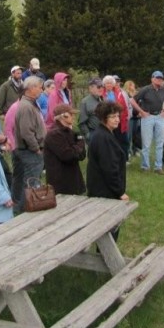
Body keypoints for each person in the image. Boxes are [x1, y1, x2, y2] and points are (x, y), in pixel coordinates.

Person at [87, 101, 129, 240]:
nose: (117, 119)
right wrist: (120, 192)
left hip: (105, 190)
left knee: (108, 231)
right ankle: (106, 259)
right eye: (112, 117)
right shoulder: (102, 137)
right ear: (104, 118)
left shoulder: (106, 134)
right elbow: (109, 169)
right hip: (105, 192)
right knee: (108, 230)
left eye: (118, 116)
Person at [12, 76, 46, 213]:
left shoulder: (28, 103)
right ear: (31, 88)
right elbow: (26, 132)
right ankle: (26, 209)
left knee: (26, 180)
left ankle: (20, 208)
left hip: (27, 149)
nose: (41, 90)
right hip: (29, 151)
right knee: (31, 181)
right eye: (39, 87)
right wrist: (36, 148)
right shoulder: (26, 106)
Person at [130, 71, 164, 174]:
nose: (159, 80)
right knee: (146, 144)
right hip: (147, 117)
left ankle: (158, 167)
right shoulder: (145, 89)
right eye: (157, 78)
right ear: (152, 79)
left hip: (159, 117)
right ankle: (145, 166)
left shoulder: (163, 90)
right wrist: (141, 111)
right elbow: (132, 100)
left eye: (161, 78)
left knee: (160, 143)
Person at [43, 104, 86, 195]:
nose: (73, 117)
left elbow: (82, 155)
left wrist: (78, 144)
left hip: (73, 179)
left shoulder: (71, 131)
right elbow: (68, 155)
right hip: (62, 183)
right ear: (63, 116)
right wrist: (80, 143)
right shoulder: (54, 134)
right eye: (71, 114)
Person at [103, 75, 130, 159]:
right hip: (107, 121)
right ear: (104, 84)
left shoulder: (118, 93)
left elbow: (124, 107)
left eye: (111, 83)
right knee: (109, 140)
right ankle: (110, 157)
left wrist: (124, 118)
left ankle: (124, 158)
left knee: (122, 140)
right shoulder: (102, 94)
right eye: (107, 83)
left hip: (119, 121)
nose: (109, 85)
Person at [77, 77, 104, 146]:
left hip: (103, 133)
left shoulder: (102, 100)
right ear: (91, 88)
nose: (101, 89)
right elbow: (81, 122)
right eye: (98, 87)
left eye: (102, 86)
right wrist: (88, 135)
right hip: (93, 133)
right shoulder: (85, 102)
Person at [123, 80, 142, 156]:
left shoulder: (136, 94)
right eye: (132, 85)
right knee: (129, 135)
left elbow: (140, 104)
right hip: (130, 118)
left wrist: (140, 112)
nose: (133, 86)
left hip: (137, 117)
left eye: (133, 85)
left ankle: (136, 149)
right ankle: (128, 151)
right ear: (128, 86)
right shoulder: (126, 95)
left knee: (136, 134)